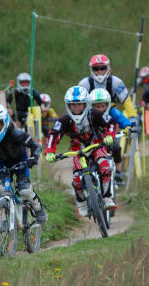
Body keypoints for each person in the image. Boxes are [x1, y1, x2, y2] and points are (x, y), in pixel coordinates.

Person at [45, 86, 117, 217]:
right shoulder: (64, 120)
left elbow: (111, 123)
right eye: (73, 105)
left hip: (96, 145)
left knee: (105, 166)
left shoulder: (94, 114)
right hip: (78, 150)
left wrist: (109, 135)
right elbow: (53, 134)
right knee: (77, 179)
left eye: (79, 104)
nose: (76, 108)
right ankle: (81, 204)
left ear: (86, 104)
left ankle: (106, 197)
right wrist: (50, 151)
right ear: (68, 106)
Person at [0, 104, 47, 224]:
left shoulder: (16, 133)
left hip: (21, 162)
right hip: (2, 164)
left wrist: (33, 157)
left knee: (25, 190)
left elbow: (35, 146)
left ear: (4, 123)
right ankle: (1, 224)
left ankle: (39, 211)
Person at [78, 54, 136, 184]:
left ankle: (119, 173)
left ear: (108, 68)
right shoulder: (84, 84)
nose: (99, 71)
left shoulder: (116, 82)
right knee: (86, 146)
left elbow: (126, 99)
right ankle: (84, 172)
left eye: (102, 68)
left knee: (114, 145)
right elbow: (77, 105)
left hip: (110, 116)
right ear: (91, 69)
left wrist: (131, 118)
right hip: (90, 119)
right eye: (96, 68)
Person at [89, 88, 131, 185]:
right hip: (94, 140)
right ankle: (88, 173)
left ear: (107, 105)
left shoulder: (112, 111)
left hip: (110, 137)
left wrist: (127, 126)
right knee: (89, 152)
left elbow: (121, 118)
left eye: (103, 106)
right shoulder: (89, 114)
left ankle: (119, 173)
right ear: (91, 106)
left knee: (117, 147)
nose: (100, 109)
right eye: (97, 106)